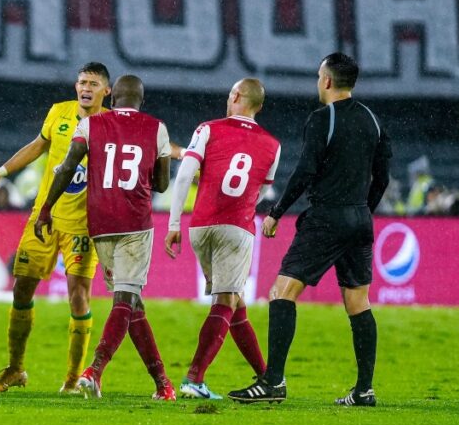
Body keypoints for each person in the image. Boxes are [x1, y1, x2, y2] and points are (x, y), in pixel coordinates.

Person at [230, 53, 391, 406]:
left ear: (328, 81)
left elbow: (305, 171)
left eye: (320, 76)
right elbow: (383, 177)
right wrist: (364, 210)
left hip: (326, 219)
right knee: (358, 303)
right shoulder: (373, 121)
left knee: (281, 292)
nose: (318, 82)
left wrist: (276, 212)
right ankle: (364, 390)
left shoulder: (322, 119)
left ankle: (273, 382)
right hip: (360, 219)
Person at [37, 75, 175, 401]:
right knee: (125, 301)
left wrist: (46, 208)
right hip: (134, 225)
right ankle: (94, 370)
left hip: (100, 225)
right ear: (141, 100)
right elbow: (162, 185)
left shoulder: (90, 125)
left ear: (114, 99)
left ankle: (162, 384)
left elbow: (68, 166)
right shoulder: (156, 128)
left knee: (132, 305)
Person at [0, 62, 110, 394]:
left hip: (83, 225)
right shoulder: (59, 112)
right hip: (44, 218)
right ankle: (15, 369)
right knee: (21, 289)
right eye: (82, 81)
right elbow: (37, 146)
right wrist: (1, 171)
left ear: (106, 91)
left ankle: (72, 380)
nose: (86, 88)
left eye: (94, 84)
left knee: (78, 296)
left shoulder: (110, 124)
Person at [164, 78, 280, 399]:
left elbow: (185, 174)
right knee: (226, 301)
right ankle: (194, 379)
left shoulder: (207, 129)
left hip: (200, 227)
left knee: (236, 302)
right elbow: (264, 190)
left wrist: (174, 222)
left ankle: (268, 377)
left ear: (236, 96)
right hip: (237, 228)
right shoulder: (272, 144)